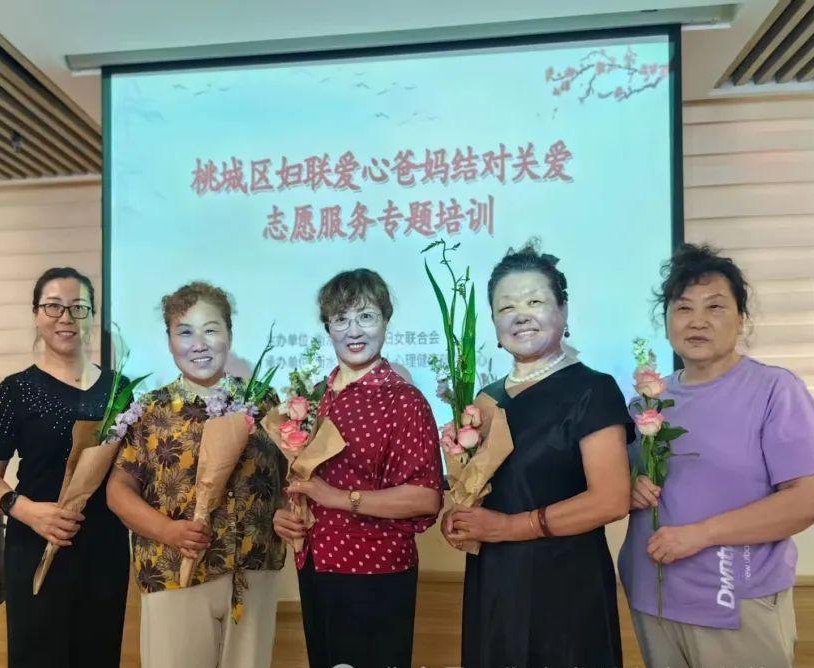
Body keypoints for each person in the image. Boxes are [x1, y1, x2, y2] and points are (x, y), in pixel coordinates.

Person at [619, 243, 814, 668]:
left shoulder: (775, 390)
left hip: (735, 600)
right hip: (653, 597)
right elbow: (626, 481)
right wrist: (630, 489)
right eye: (683, 308)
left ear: (741, 319)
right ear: (667, 321)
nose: (697, 321)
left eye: (715, 307)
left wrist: (700, 535)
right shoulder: (649, 400)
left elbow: (810, 500)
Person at [445, 242, 632, 668]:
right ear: (494, 324)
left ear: (563, 311)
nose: (521, 315)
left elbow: (611, 500)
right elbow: (487, 487)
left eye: (535, 301)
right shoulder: (485, 399)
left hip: (565, 584)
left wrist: (509, 527)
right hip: (494, 580)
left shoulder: (593, 389)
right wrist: (459, 517)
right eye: (506, 307)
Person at [107, 281, 285, 668]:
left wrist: (291, 512)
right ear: (170, 340)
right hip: (174, 571)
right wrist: (167, 530)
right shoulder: (149, 409)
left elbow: (287, 480)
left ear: (229, 335)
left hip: (252, 571)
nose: (199, 344)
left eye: (211, 330)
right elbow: (118, 490)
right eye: (185, 332)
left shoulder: (262, 402)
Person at [274, 268, 443, 668]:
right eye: (341, 319)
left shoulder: (404, 400)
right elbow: (300, 480)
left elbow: (426, 498)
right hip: (315, 563)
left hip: (374, 570)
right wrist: (286, 514)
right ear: (327, 327)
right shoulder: (313, 397)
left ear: (385, 321)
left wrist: (336, 497)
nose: (354, 330)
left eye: (366, 316)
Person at [0, 267, 129, 667]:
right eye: (54, 307)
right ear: (36, 314)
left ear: (93, 316)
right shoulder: (16, 390)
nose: (66, 318)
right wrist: (26, 511)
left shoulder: (119, 389)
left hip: (104, 548)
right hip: (35, 540)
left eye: (79, 308)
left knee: (99, 654)